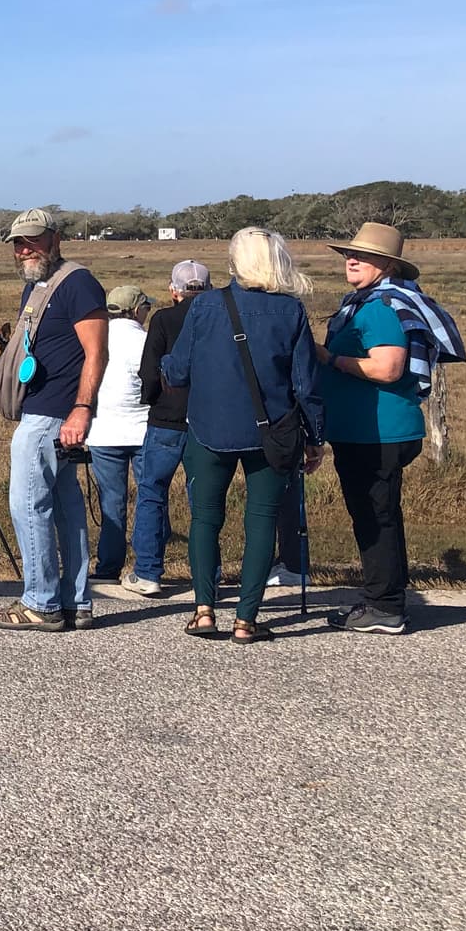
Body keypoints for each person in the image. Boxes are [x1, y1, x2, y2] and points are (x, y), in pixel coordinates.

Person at [161, 229, 324, 643]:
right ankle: (246, 619)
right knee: (262, 520)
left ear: (234, 261)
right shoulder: (290, 311)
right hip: (272, 431)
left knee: (205, 519)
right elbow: (305, 383)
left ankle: (203, 610)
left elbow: (177, 371)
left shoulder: (205, 307)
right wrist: (316, 436)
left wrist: (165, 363)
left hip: (207, 427)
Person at [316, 223, 465, 636]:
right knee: (379, 514)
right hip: (373, 429)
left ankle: (384, 606)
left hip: (376, 431)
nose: (352, 259)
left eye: (362, 256)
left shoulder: (380, 308)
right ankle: (386, 599)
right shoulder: (368, 302)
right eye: (349, 254)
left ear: (386, 264)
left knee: (374, 517)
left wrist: (329, 359)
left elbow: (387, 367)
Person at [0, 208, 108, 633]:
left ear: (56, 238)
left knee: (28, 505)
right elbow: (41, 352)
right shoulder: (39, 286)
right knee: (67, 509)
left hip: (52, 417)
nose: (24, 249)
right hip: (45, 410)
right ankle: (75, 601)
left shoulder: (78, 284)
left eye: (32, 240)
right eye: (18, 242)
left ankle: (41, 602)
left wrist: (82, 409)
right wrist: (3, 348)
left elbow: (96, 353)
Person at [129, 260, 211, 596]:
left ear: (173, 290)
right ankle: (207, 575)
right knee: (203, 501)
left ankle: (148, 572)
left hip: (165, 419)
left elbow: (149, 371)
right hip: (205, 420)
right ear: (207, 287)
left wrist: (152, 399)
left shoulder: (163, 319)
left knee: (151, 492)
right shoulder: (217, 317)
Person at [88, 284, 152, 585]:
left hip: (103, 430)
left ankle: (107, 567)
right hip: (142, 429)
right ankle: (146, 565)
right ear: (137, 310)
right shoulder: (147, 340)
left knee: (111, 502)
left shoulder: (96, 337)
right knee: (149, 498)